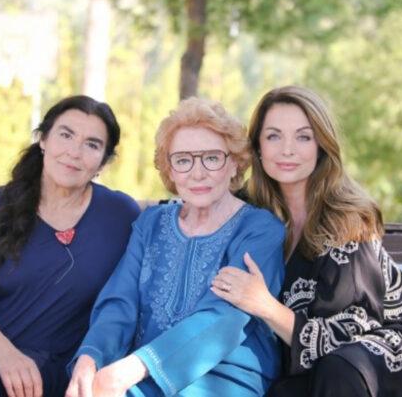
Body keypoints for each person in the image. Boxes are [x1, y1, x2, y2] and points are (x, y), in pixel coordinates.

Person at [212, 86, 402, 397]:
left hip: (378, 345)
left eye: (303, 137)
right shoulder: (247, 211)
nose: (288, 150)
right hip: (304, 361)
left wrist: (265, 306)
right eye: (273, 136)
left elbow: (347, 332)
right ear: (258, 147)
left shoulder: (347, 218)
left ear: (321, 146)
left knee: (340, 369)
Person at [66, 97, 285, 397]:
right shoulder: (151, 223)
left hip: (222, 378)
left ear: (234, 162)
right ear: (169, 170)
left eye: (212, 158)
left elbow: (223, 319)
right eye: (183, 160)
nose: (197, 173)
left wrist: (132, 369)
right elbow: (120, 302)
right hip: (138, 374)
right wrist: (91, 358)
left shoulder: (260, 229)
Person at [0, 95, 141, 397]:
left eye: (92, 145)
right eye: (66, 135)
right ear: (43, 140)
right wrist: (4, 354)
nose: (74, 152)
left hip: (41, 362)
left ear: (103, 162)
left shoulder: (119, 215)